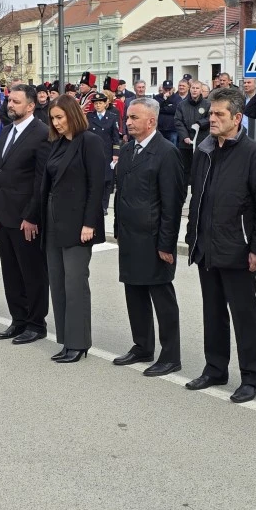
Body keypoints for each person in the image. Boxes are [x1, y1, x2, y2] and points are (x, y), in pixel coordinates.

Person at [183, 86, 256, 401]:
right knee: (213, 313)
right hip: (206, 247)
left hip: (238, 249)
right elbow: (197, 197)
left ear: (237, 118)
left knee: (244, 315)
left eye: (219, 114)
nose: (212, 118)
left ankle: (252, 377)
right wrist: (192, 236)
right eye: (210, 113)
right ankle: (215, 369)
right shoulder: (204, 150)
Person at [112, 98, 187, 377]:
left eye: (134, 117)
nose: (128, 122)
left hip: (154, 239)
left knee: (161, 298)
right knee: (134, 293)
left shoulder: (166, 152)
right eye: (128, 117)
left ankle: (170, 356)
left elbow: (172, 202)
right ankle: (142, 346)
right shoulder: (128, 149)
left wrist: (166, 243)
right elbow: (121, 193)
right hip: (130, 236)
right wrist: (118, 228)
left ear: (151, 121)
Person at [40, 94, 106, 364]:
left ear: (73, 115)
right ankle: (67, 340)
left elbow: (97, 185)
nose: (56, 123)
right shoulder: (56, 143)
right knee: (57, 282)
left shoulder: (89, 141)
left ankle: (79, 344)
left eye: (60, 117)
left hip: (79, 223)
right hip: (53, 220)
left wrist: (90, 223)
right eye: (52, 118)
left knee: (75, 283)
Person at [0, 84, 50, 345]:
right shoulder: (6, 131)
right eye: (9, 101)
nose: (10, 105)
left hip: (26, 218)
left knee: (32, 273)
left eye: (16, 102)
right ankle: (18, 319)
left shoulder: (42, 133)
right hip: (4, 215)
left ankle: (36, 324)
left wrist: (32, 216)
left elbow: (41, 181)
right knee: (11, 272)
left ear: (31, 105)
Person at [86, 91, 121, 214]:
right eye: (96, 103)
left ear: (106, 103)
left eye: (100, 103)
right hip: (93, 152)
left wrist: (116, 153)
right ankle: (94, 204)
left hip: (107, 152)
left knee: (107, 180)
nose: (98, 105)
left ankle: (104, 206)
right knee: (94, 179)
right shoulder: (90, 116)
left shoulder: (112, 117)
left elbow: (115, 137)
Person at [174, 80, 210, 175]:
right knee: (185, 169)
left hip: (202, 142)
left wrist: (199, 123)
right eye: (193, 88)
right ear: (190, 89)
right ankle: (185, 185)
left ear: (201, 90)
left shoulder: (208, 104)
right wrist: (184, 136)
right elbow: (178, 121)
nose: (195, 90)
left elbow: (210, 118)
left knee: (201, 169)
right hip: (185, 144)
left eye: (197, 88)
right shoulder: (182, 105)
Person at [154, 80, 178, 145]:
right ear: (162, 89)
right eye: (165, 89)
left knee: (172, 147)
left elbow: (174, 109)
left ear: (172, 89)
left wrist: (162, 108)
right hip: (160, 129)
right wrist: (164, 100)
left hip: (172, 129)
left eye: (169, 89)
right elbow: (156, 108)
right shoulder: (157, 97)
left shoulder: (177, 98)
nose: (167, 91)